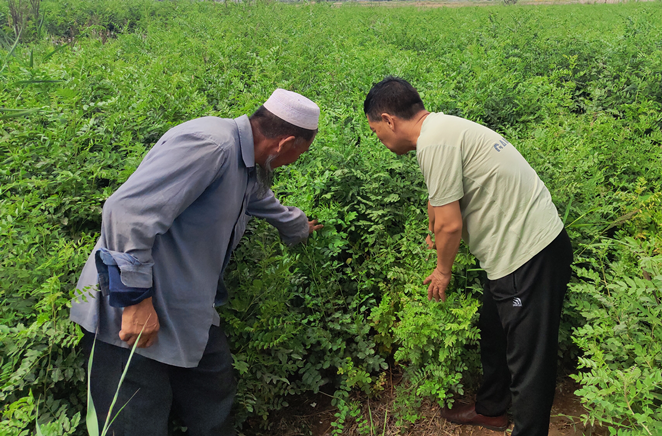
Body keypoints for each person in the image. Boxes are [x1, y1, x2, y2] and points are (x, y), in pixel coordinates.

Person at [70, 88, 324, 436]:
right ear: (285, 143)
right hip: (131, 312)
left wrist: (299, 228)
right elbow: (126, 212)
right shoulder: (211, 146)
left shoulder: (248, 162)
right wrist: (135, 301)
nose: (293, 162)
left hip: (188, 309)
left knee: (213, 397)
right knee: (133, 421)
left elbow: (263, 201)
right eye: (300, 154)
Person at [364, 77, 573, 436]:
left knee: (529, 361)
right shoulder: (442, 130)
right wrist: (435, 224)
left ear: (389, 120)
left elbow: (450, 225)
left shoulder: (434, 143)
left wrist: (442, 270)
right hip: (512, 253)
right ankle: (492, 409)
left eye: (376, 132)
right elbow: (443, 199)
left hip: (528, 254)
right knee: (493, 331)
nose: (380, 140)